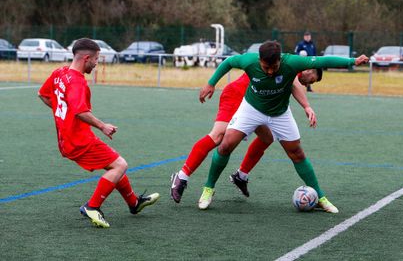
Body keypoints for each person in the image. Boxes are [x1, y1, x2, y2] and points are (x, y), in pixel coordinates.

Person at [198, 41, 369, 212]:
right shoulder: (249, 61)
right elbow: (228, 62)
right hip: (251, 109)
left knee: (296, 153)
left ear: (280, 59)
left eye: (274, 66)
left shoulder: (292, 62)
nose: (271, 71)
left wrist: (352, 62)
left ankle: (320, 197)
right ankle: (208, 189)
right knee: (226, 145)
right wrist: (211, 83)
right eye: (266, 67)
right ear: (260, 61)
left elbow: (322, 61)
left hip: (280, 113)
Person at [38, 38, 159, 228]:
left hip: (67, 138)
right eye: (96, 59)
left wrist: (63, 115)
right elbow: (80, 111)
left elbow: (44, 95)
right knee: (120, 165)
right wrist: (102, 126)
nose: (96, 64)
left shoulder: (59, 73)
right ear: (86, 58)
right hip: (78, 140)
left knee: (112, 164)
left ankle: (134, 203)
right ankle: (92, 206)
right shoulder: (78, 82)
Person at [170, 68, 322, 203]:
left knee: (267, 138)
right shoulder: (291, 65)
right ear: (310, 70)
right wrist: (307, 107)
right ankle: (182, 176)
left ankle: (241, 176)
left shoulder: (290, 67)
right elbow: (295, 84)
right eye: (312, 81)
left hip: (255, 104)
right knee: (218, 136)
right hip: (237, 94)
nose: (308, 84)